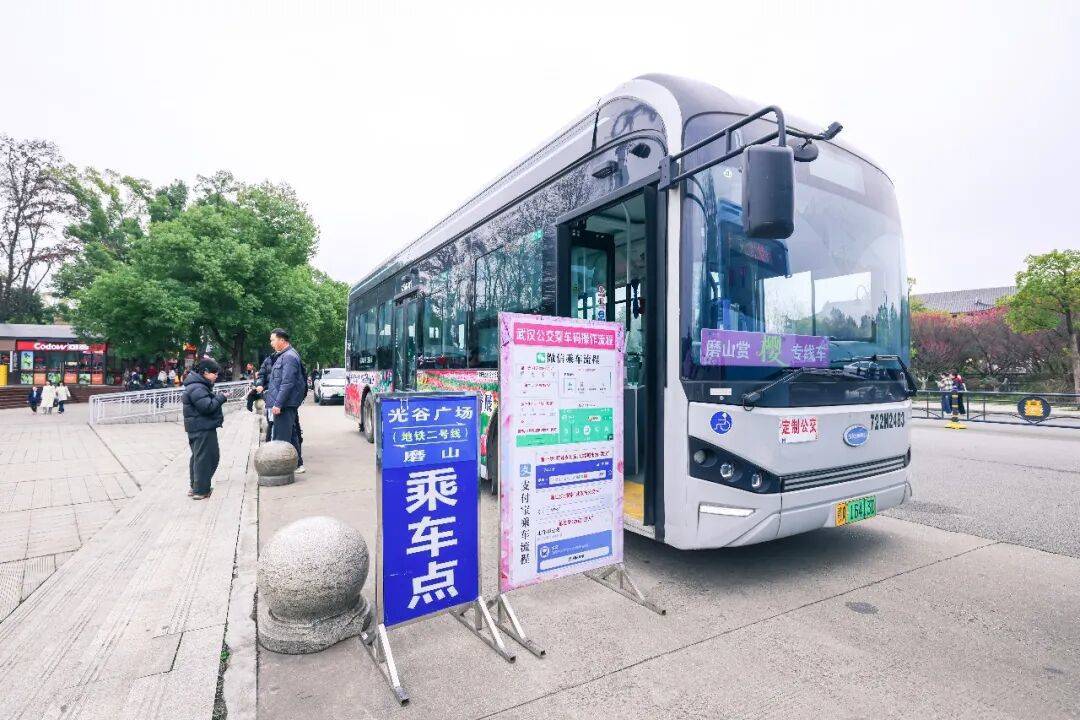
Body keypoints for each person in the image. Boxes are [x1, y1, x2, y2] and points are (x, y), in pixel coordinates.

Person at [182, 359, 227, 500]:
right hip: (202, 428)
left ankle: (195, 487)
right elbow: (207, 407)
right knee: (206, 458)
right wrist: (221, 398)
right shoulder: (198, 387)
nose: (216, 376)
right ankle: (201, 491)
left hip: (197, 427)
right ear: (206, 372)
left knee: (198, 457)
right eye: (215, 373)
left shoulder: (195, 385)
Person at [264, 328, 306, 473]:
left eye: (273, 340)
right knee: (291, 435)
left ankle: (282, 470)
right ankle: (298, 464)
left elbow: (287, 383)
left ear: (282, 340)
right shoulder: (284, 355)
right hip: (285, 403)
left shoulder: (289, 357)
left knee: (281, 438)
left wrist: (278, 404)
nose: (271, 343)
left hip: (285, 404)